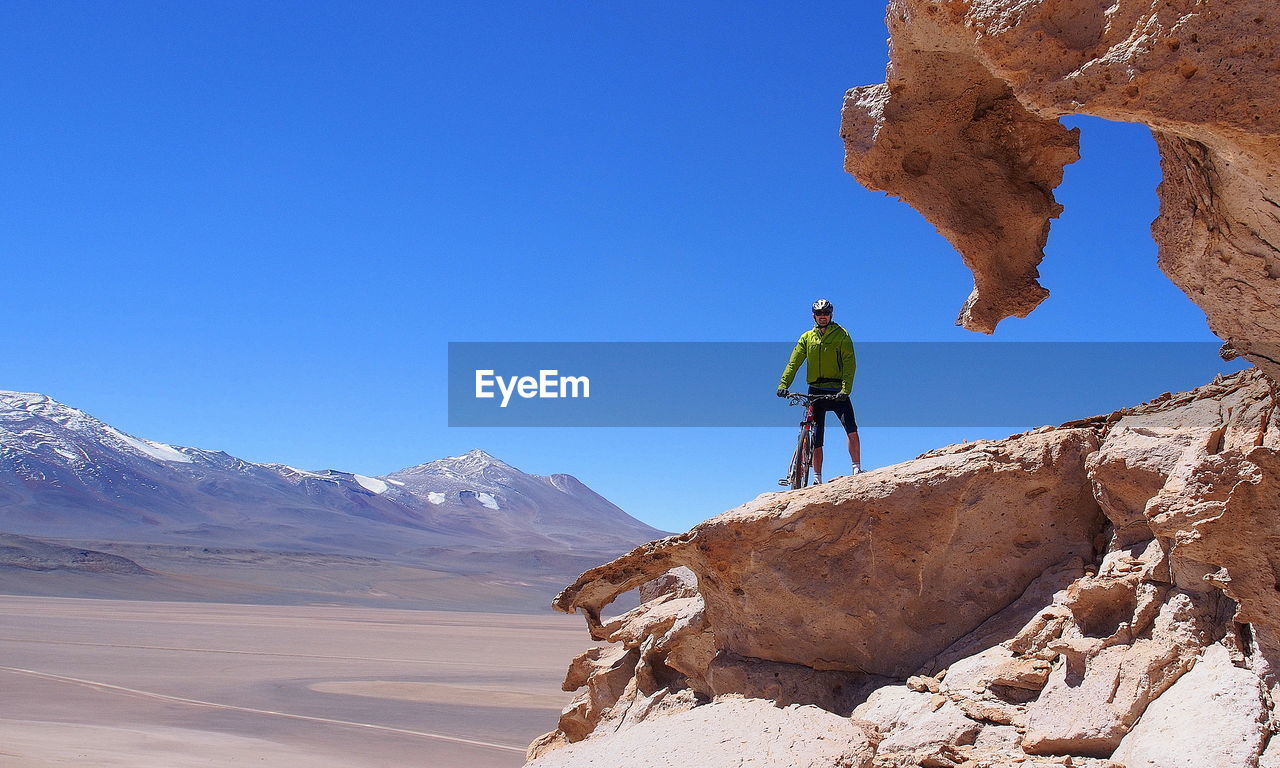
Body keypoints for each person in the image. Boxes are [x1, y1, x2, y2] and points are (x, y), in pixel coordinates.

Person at [776, 298, 860, 482]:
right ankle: (817, 478)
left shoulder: (842, 335)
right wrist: (784, 385)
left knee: (851, 428)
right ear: (813, 316)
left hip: (837, 389)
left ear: (831, 315)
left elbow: (849, 364)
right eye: (819, 314)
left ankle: (856, 468)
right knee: (817, 435)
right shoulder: (807, 337)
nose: (823, 317)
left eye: (826, 313)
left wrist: (846, 389)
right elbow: (794, 362)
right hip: (815, 390)